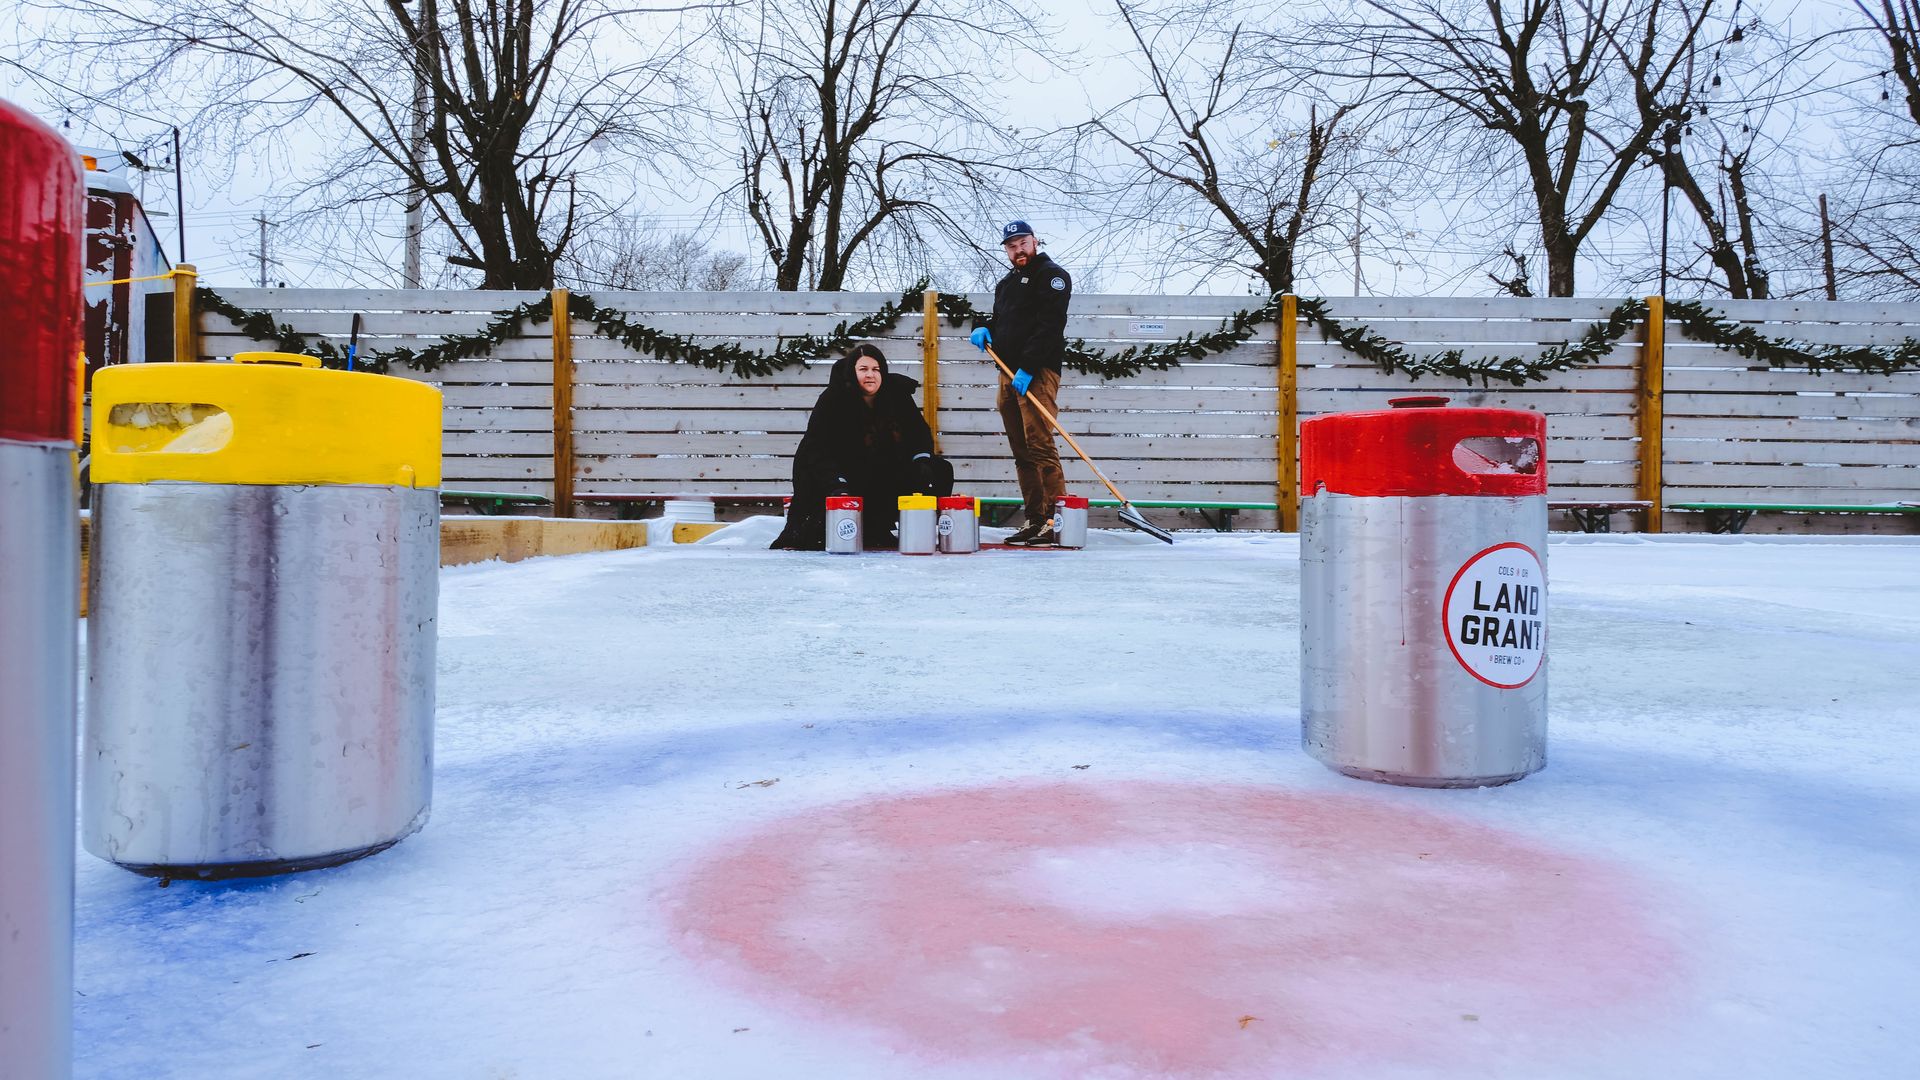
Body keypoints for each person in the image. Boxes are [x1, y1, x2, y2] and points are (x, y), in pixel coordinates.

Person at [771, 343, 954, 550]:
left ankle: (915, 530)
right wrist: (836, 483)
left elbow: (919, 433)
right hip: (839, 474)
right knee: (818, 536)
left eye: (876, 369)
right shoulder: (833, 399)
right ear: (852, 371)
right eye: (863, 369)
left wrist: (921, 460)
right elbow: (816, 449)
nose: (870, 375)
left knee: (939, 469)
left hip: (885, 469)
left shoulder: (897, 396)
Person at [969, 219, 1073, 546]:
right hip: (1008, 374)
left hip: (1037, 373)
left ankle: (1056, 522)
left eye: (1022, 243)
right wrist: (984, 327)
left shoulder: (1051, 275)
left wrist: (1028, 367)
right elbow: (1005, 322)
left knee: (1040, 444)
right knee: (1021, 449)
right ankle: (1035, 519)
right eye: (1011, 246)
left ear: (1034, 241)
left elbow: (1049, 324)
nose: (1018, 249)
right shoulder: (1006, 285)